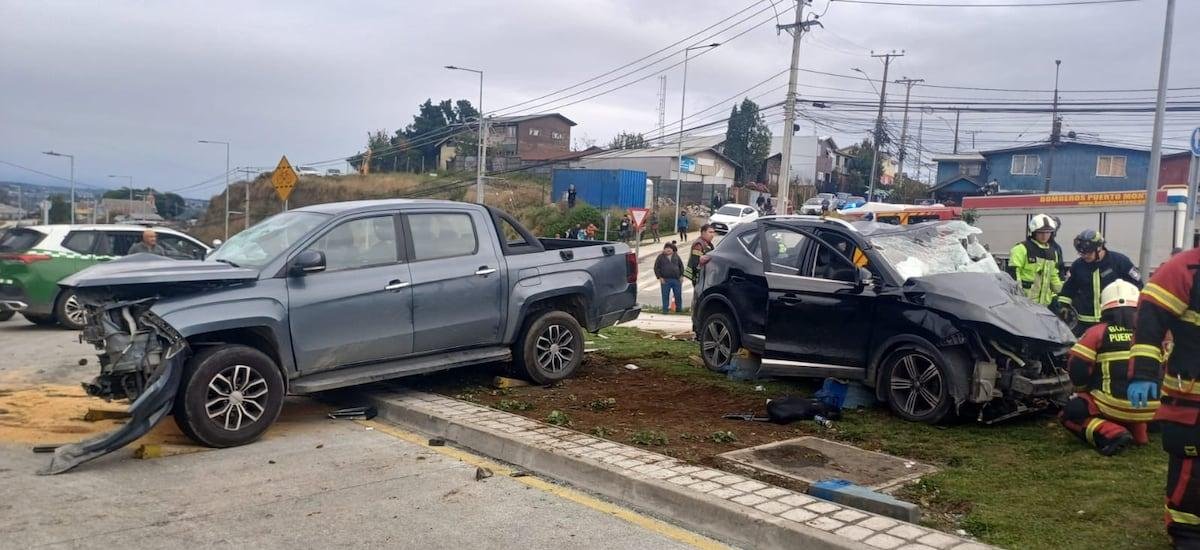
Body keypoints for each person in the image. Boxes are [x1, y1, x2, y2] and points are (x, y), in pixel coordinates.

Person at [1129, 247, 1200, 548]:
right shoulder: (1187, 268)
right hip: (1192, 398)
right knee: (1191, 470)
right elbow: (1150, 319)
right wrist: (1144, 372)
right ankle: (1188, 534)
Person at [1060, 280, 1157, 456]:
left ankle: (1112, 433)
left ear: (1104, 306)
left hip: (1114, 405)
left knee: (1071, 412)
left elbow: (1077, 367)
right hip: (1152, 408)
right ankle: (1139, 432)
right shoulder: (1151, 333)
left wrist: (1082, 390)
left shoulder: (1098, 332)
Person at [1054, 229, 1142, 335]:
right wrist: (1063, 306)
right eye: (1081, 253)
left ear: (1099, 248)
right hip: (1085, 323)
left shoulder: (1120, 262)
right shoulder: (1078, 266)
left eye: (1088, 253)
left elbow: (1138, 286)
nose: (1085, 256)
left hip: (1114, 321)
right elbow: (1068, 289)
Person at [1008, 214, 1063, 306]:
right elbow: (1013, 273)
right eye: (1041, 232)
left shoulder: (1053, 252)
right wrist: (1017, 296)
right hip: (1024, 302)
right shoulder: (1021, 248)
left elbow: (1053, 276)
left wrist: (1062, 292)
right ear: (1034, 232)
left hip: (1044, 304)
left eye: (1048, 232)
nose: (1045, 236)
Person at [654, 242, 684, 313]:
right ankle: (665, 310)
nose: (668, 249)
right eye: (666, 248)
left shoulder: (676, 256)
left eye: (670, 248)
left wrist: (681, 276)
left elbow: (681, 266)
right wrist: (660, 277)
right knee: (665, 296)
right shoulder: (660, 257)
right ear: (664, 249)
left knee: (678, 295)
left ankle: (679, 310)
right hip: (665, 280)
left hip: (676, 280)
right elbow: (656, 268)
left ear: (673, 249)